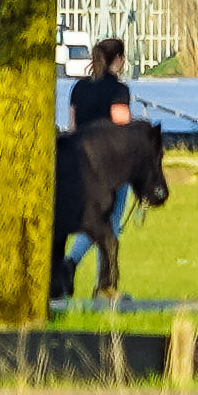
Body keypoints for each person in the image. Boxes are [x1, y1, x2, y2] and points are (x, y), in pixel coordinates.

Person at [64, 37, 133, 281]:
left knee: (92, 219)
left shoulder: (79, 88)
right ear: (118, 60)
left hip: (81, 164)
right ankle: (104, 280)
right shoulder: (118, 90)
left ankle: (70, 263)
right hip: (112, 166)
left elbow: (72, 127)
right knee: (111, 220)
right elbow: (121, 128)